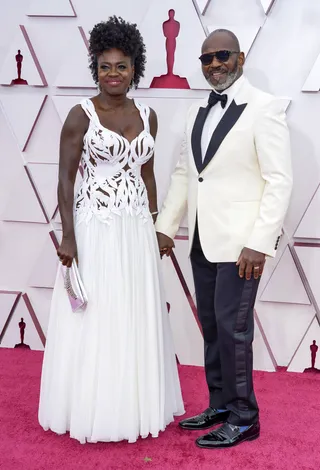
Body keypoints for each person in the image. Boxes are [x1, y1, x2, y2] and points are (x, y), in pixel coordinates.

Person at [38, 16, 184, 444]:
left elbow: (148, 173)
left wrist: (157, 225)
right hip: (95, 228)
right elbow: (65, 179)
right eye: (105, 66)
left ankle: (131, 404)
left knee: (133, 312)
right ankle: (91, 407)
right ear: (95, 68)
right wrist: (68, 236)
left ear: (135, 68)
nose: (114, 74)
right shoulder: (79, 116)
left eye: (122, 65)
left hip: (136, 229)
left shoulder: (148, 115)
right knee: (97, 315)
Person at [156, 29, 292, 449]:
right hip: (202, 240)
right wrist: (165, 227)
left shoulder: (265, 108)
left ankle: (245, 416)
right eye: (206, 59)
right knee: (213, 328)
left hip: (241, 247)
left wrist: (260, 240)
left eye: (222, 56)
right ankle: (220, 405)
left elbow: (279, 180)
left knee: (235, 333)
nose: (214, 64)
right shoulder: (196, 111)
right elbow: (186, 174)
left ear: (240, 57)